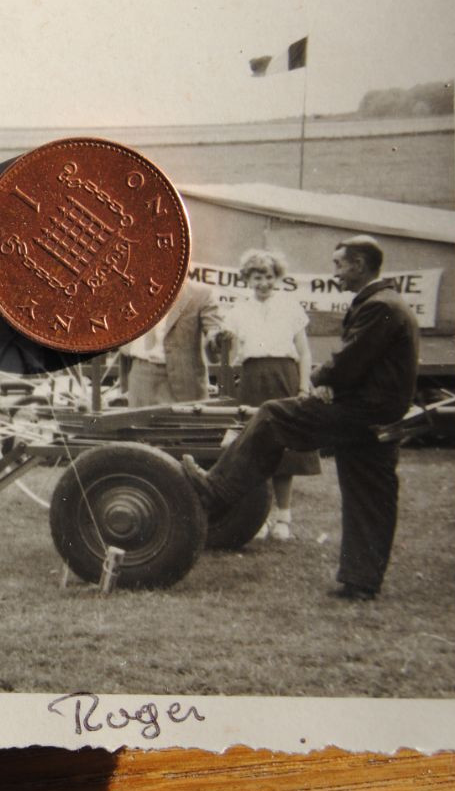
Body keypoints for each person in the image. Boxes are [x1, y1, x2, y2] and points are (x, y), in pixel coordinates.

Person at [183, 236, 419, 600]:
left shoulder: (378, 305)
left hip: (361, 412)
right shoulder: (388, 302)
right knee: (370, 495)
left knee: (273, 414)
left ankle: (217, 491)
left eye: (339, 264)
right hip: (376, 414)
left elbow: (353, 358)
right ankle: (360, 582)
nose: (335, 272)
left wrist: (321, 381)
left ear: (358, 265)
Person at [219, 249, 320, 541]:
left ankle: (283, 517)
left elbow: (303, 352)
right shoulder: (238, 311)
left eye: (268, 276)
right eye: (256, 276)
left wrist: (303, 387)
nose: (263, 282)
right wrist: (223, 344)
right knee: (254, 448)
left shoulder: (291, 307)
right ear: (247, 279)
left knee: (284, 449)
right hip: (252, 379)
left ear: (277, 278)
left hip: (284, 375)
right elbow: (234, 354)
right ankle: (259, 518)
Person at [118, 280, 225, 406]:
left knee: (186, 424)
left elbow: (214, 329)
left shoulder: (201, 293)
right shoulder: (133, 290)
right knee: (138, 424)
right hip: (141, 379)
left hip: (184, 384)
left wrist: (217, 338)